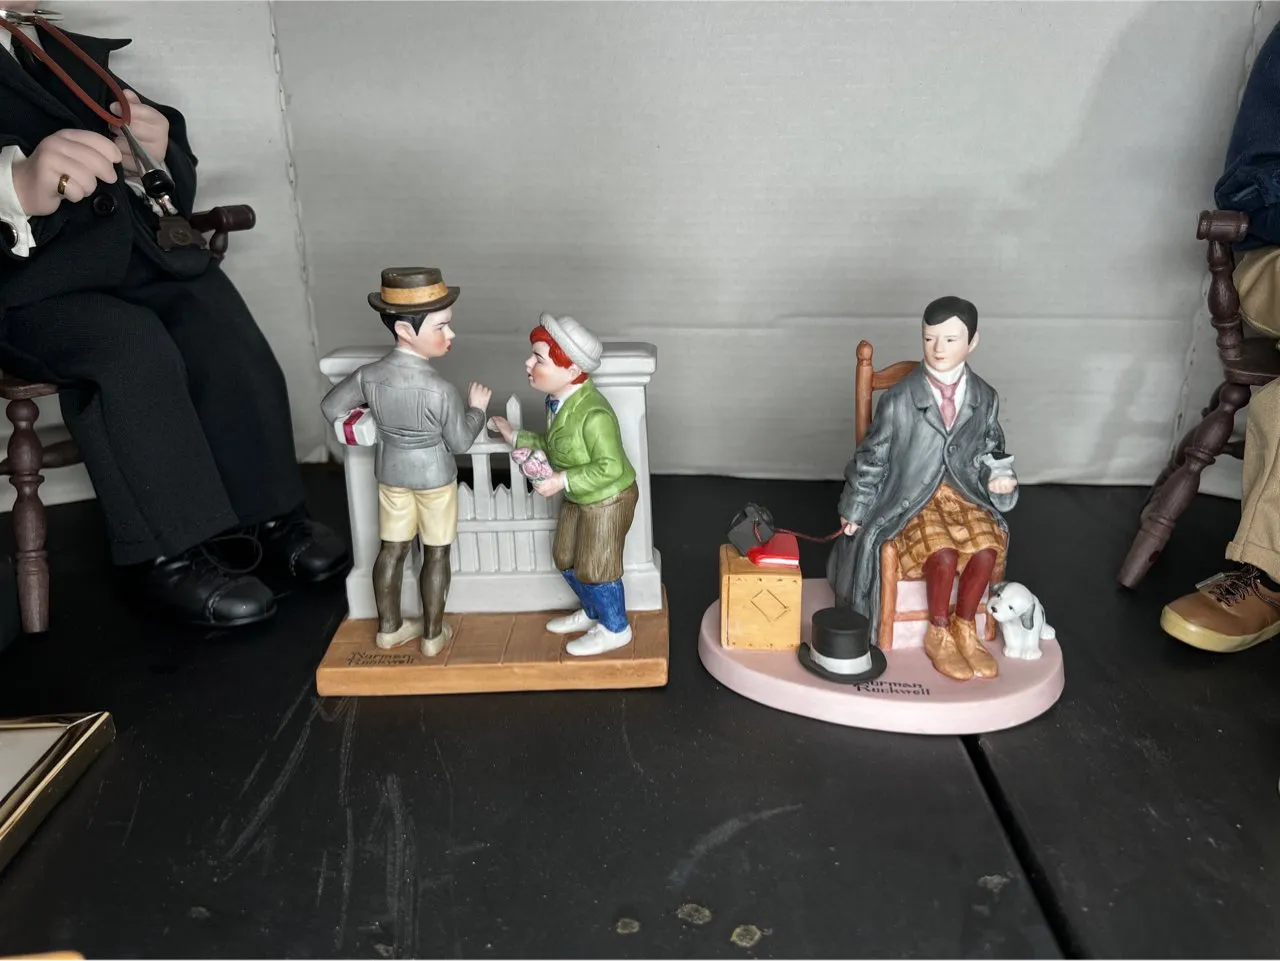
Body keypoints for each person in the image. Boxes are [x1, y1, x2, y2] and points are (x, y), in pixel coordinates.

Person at [0, 5, 348, 629]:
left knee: (210, 314)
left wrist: (151, 155)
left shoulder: (56, 47)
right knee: (126, 347)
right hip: (27, 292)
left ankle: (267, 513)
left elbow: (162, 170)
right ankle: (166, 551)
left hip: (128, 261)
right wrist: (16, 187)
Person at [825, 296, 1018, 682]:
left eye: (950, 339)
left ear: (972, 342)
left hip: (963, 497)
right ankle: (938, 631)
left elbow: (991, 449)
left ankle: (966, 627)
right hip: (912, 500)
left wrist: (998, 477)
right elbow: (872, 458)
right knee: (942, 554)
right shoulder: (899, 399)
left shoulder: (985, 398)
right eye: (929, 339)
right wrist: (855, 509)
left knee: (986, 548)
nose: (938, 348)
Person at [319, 268, 491, 656]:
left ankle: (389, 629)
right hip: (435, 478)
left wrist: (372, 423)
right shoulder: (440, 390)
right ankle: (432, 635)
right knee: (436, 552)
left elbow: (331, 407)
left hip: (391, 474)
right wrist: (477, 410)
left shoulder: (368, 376)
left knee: (392, 550)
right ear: (403, 330)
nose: (451, 334)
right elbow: (460, 441)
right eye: (441, 326)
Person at [489, 314, 638, 657]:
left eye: (538, 359)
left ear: (571, 371)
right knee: (565, 557)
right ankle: (593, 612)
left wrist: (561, 480)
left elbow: (611, 467)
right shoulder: (558, 403)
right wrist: (515, 435)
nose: (528, 363)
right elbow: (556, 446)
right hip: (579, 494)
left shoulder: (595, 415)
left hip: (609, 497)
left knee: (596, 567)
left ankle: (616, 628)